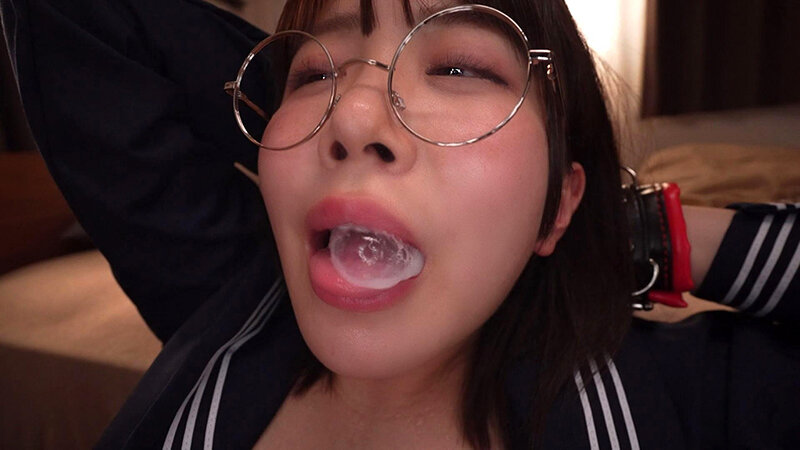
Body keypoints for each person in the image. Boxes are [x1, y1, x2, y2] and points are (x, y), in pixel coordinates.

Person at [2, 0, 798, 449]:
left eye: (458, 67)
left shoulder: (696, 403)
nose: (352, 113)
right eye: (314, 74)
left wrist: (640, 233)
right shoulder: (233, 299)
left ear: (560, 203)